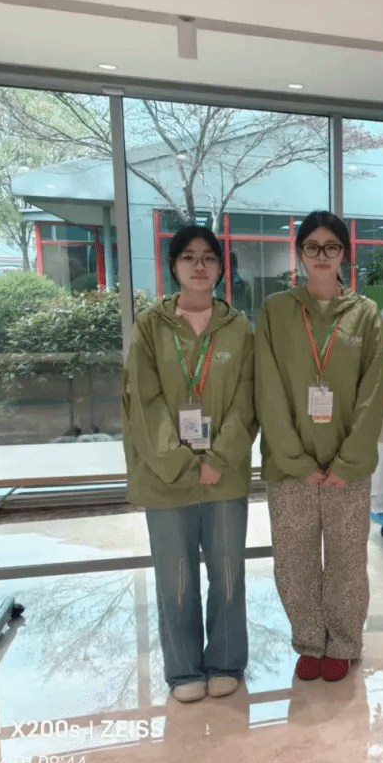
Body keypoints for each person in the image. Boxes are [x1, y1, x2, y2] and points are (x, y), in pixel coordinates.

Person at [122, 225, 257, 703]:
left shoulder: (238, 328)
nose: (199, 266)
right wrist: (182, 463)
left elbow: (248, 400)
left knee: (228, 573)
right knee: (175, 578)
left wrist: (217, 458)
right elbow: (143, 401)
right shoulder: (150, 326)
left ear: (221, 267)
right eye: (188, 257)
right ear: (173, 266)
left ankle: (225, 661)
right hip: (166, 476)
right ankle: (183, 672)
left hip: (224, 474)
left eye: (209, 258)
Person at [255, 210, 383, 684]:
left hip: (347, 467)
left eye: (332, 247)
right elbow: (267, 388)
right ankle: (310, 641)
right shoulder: (276, 311)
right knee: (295, 561)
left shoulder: (365, 314)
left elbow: (372, 393)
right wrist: (294, 459)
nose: (322, 256)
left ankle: (345, 643)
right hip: (290, 466)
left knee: (348, 562)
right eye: (312, 247)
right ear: (300, 253)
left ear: (344, 253)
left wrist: (349, 461)